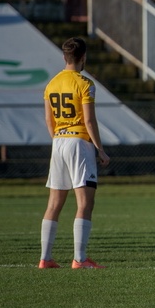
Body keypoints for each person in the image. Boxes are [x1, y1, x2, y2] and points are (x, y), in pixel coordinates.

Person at [38, 37, 111, 269]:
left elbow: (48, 120)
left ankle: (45, 258)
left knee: (54, 203)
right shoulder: (85, 83)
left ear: (64, 57)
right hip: (79, 143)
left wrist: (59, 140)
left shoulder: (51, 84)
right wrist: (100, 149)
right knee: (85, 202)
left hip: (58, 141)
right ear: (84, 58)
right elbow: (89, 120)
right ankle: (80, 259)